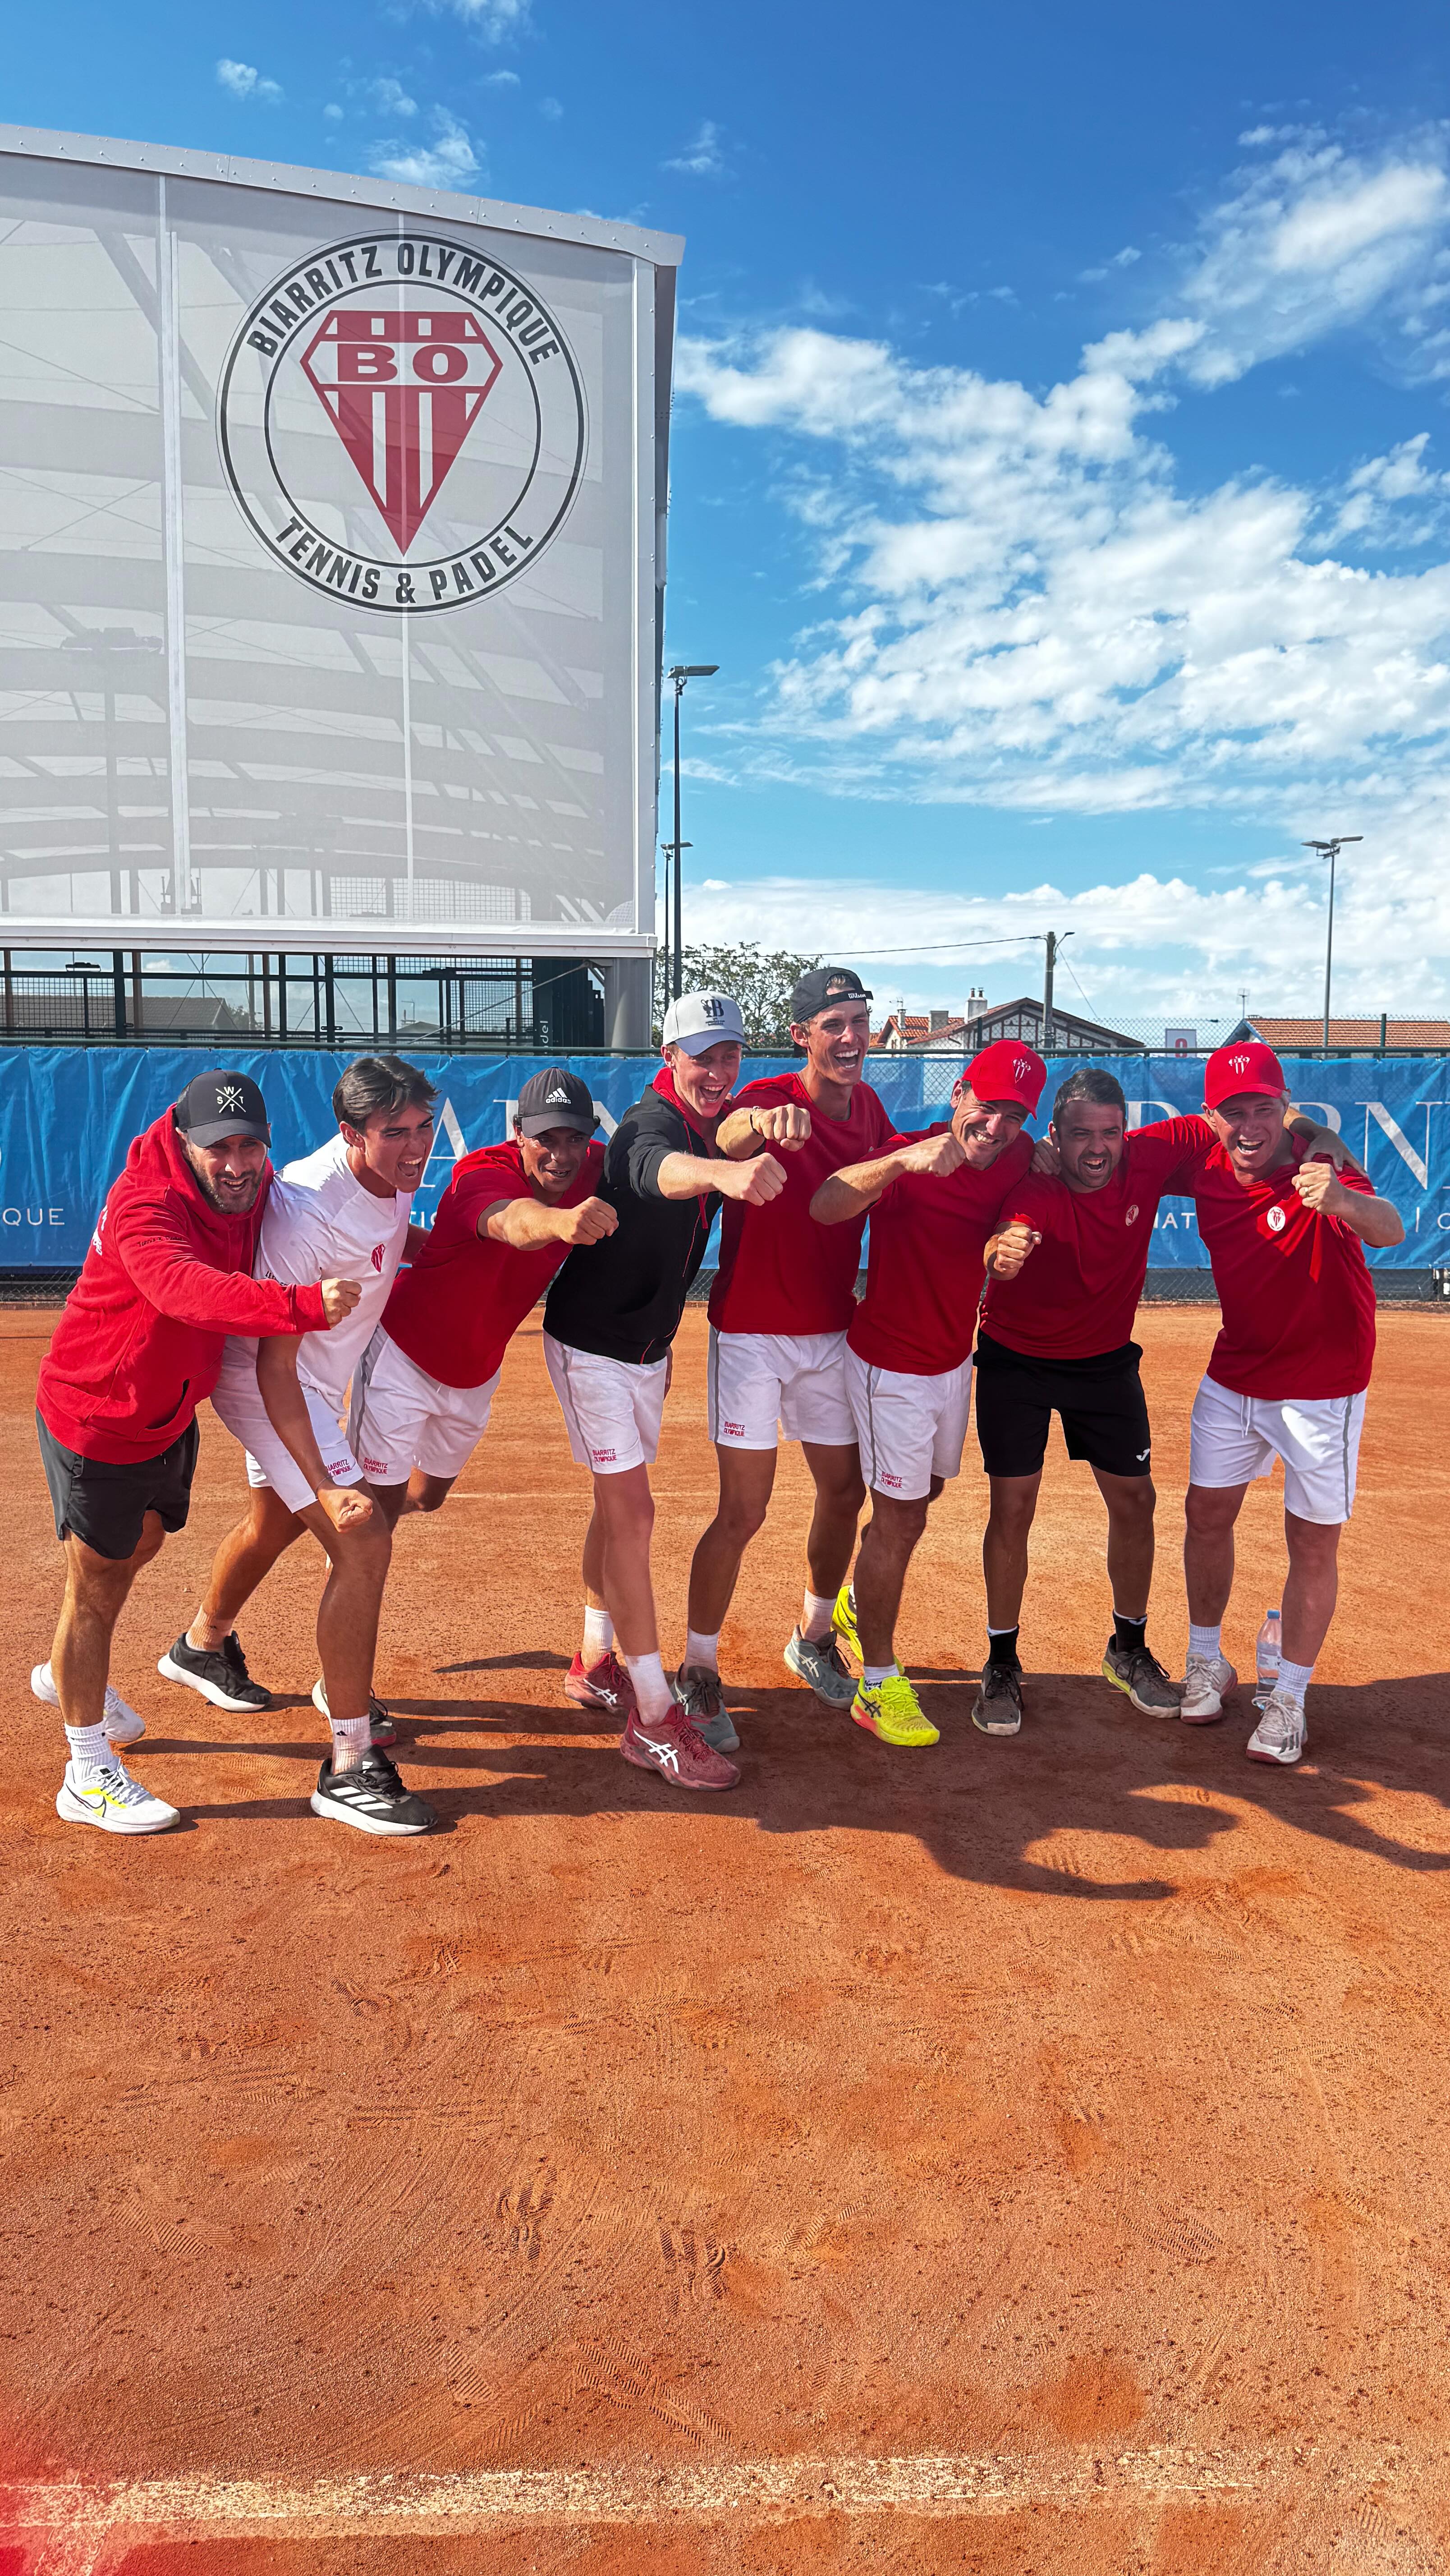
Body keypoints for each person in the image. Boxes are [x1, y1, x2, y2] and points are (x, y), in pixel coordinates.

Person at [32, 1069, 359, 1835]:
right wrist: (301, 1306)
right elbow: (182, 1288)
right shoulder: (146, 1202)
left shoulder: (251, 1188)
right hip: (99, 1416)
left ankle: (66, 1671)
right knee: (97, 1586)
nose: (240, 1164)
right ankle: (87, 1769)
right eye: (221, 1150)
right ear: (184, 1143)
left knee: (140, 1543)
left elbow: (318, 1200)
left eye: (252, 1146)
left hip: (169, 1412)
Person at [165, 1055, 441, 1836]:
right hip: (272, 1385)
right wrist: (325, 1481)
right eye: (395, 1133)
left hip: (314, 1381)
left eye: (424, 1127)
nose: (416, 1146)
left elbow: (386, 1240)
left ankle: (201, 1646)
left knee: (274, 1523)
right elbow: (273, 1365)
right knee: (361, 1541)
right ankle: (350, 1765)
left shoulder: (392, 1175)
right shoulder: (307, 1209)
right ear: (350, 1133)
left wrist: (456, 1246)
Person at [540, 992, 787, 1790]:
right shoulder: (651, 1124)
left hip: (645, 1349)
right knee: (634, 1516)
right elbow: (656, 1170)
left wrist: (740, 1136)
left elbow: (723, 1131)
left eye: (730, 1056)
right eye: (703, 1057)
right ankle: (653, 1718)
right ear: (669, 1058)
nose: (718, 1072)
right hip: (594, 1347)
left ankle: (592, 1660)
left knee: (613, 1512)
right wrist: (727, 1172)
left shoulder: (707, 1117)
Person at [349, 1068, 624, 1709]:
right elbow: (512, 1222)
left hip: (474, 1373)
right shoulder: (480, 1173)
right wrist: (560, 1223)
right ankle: (346, 1683)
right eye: (545, 1139)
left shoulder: (593, 1166)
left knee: (428, 1497)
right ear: (518, 1133)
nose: (560, 1154)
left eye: (574, 1140)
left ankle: (365, 1508)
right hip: (402, 1360)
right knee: (373, 1528)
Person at [809, 1041, 1047, 1748]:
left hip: (952, 1362)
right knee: (901, 1519)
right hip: (890, 1367)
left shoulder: (1019, 1154)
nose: (997, 1126)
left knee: (927, 1496)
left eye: (1013, 1114)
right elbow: (825, 1205)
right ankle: (877, 1684)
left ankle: (855, 1604)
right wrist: (899, 1164)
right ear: (958, 1094)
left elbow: (1068, 1157)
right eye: (987, 1106)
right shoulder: (907, 1154)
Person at [1172, 1040, 1404, 1765]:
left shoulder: (1319, 1167)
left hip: (1320, 1388)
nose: (1249, 1126)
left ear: (1285, 1111)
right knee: (1205, 1514)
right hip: (1235, 1375)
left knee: (1311, 1540)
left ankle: (1291, 1700)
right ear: (1213, 1118)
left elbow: (1391, 1227)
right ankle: (1206, 1660)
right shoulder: (1204, 1166)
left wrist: (1339, 1197)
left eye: (1263, 1110)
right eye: (1233, 1111)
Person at [683, 966, 891, 1725]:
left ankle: (812, 1635)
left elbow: (901, 1164)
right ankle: (698, 1668)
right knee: (744, 1510)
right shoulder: (770, 1095)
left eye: (858, 1021)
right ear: (802, 1035)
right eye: (833, 1024)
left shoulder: (867, 1107)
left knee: (845, 1491)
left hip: (831, 1334)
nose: (849, 1038)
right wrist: (760, 1129)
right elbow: (728, 1131)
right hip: (751, 1339)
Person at [976, 1067, 1208, 1735]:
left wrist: (1312, 1134)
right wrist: (1002, 1253)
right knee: (1013, 1507)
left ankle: (1128, 1649)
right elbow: (1003, 1240)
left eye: (1109, 1133)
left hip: (1104, 1363)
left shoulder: (1151, 1154)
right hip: (1016, 1359)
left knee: (1137, 1501)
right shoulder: (1037, 1187)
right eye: (1081, 1136)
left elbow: (1230, 1125)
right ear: (1056, 1135)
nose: (1097, 1149)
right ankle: (1001, 1661)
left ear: (1125, 1130)